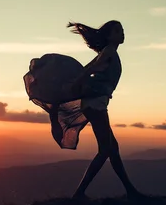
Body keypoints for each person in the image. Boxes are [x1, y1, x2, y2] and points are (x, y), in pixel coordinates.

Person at [66, 20, 146, 201]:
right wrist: (77, 82)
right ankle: (79, 194)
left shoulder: (109, 52)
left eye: (122, 30)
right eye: (118, 31)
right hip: (95, 104)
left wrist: (79, 81)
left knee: (113, 149)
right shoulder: (109, 51)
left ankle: (131, 191)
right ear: (109, 36)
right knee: (105, 150)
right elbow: (91, 68)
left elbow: (90, 67)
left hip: (95, 103)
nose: (122, 33)